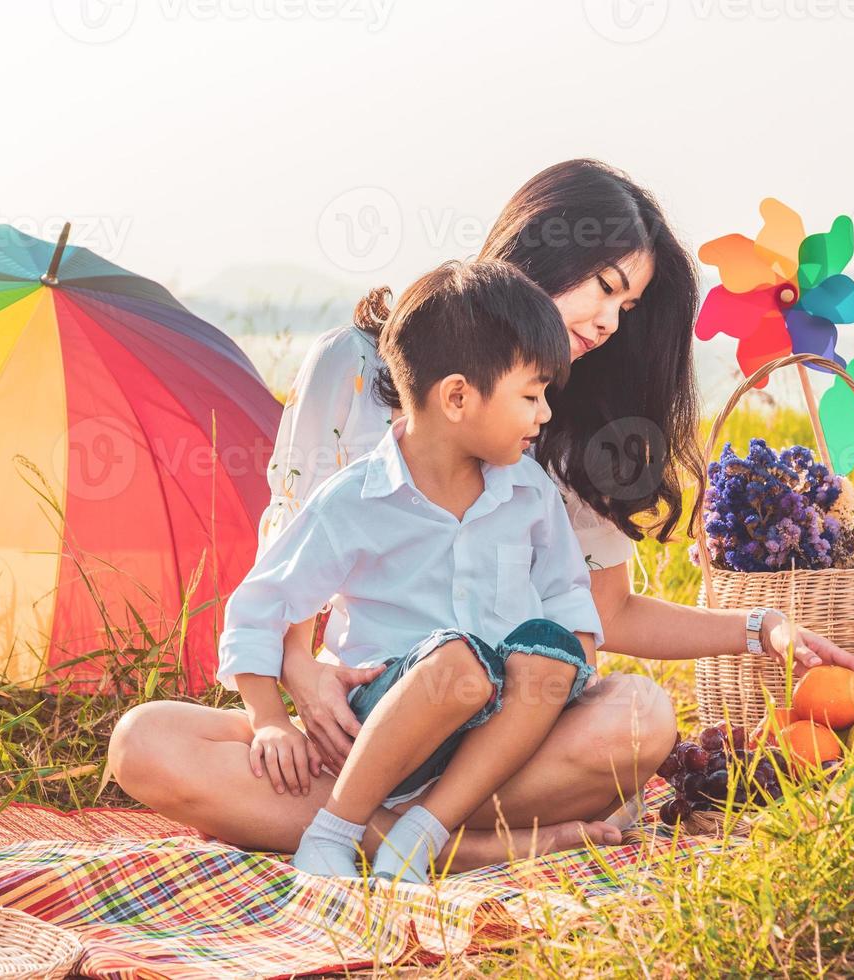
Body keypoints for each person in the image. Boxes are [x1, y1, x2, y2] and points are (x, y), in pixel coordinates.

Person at [108, 159, 854, 868]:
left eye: (629, 306)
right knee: (145, 743)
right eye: (604, 285)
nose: (611, 321)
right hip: (359, 717)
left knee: (638, 718)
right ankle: (461, 842)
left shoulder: (568, 434)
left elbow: (602, 616)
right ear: (541, 245)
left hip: (500, 737)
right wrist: (302, 679)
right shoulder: (358, 363)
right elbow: (288, 557)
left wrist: (757, 628)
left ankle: (375, 829)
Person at [219, 259, 601, 882]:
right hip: (379, 725)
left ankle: (417, 837)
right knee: (462, 663)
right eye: (531, 397)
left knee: (563, 656)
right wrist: (268, 720)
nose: (545, 416)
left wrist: (563, 687)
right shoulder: (354, 500)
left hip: (492, 735)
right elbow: (260, 604)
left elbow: (566, 596)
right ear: (457, 397)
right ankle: (332, 833)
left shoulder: (530, 494)